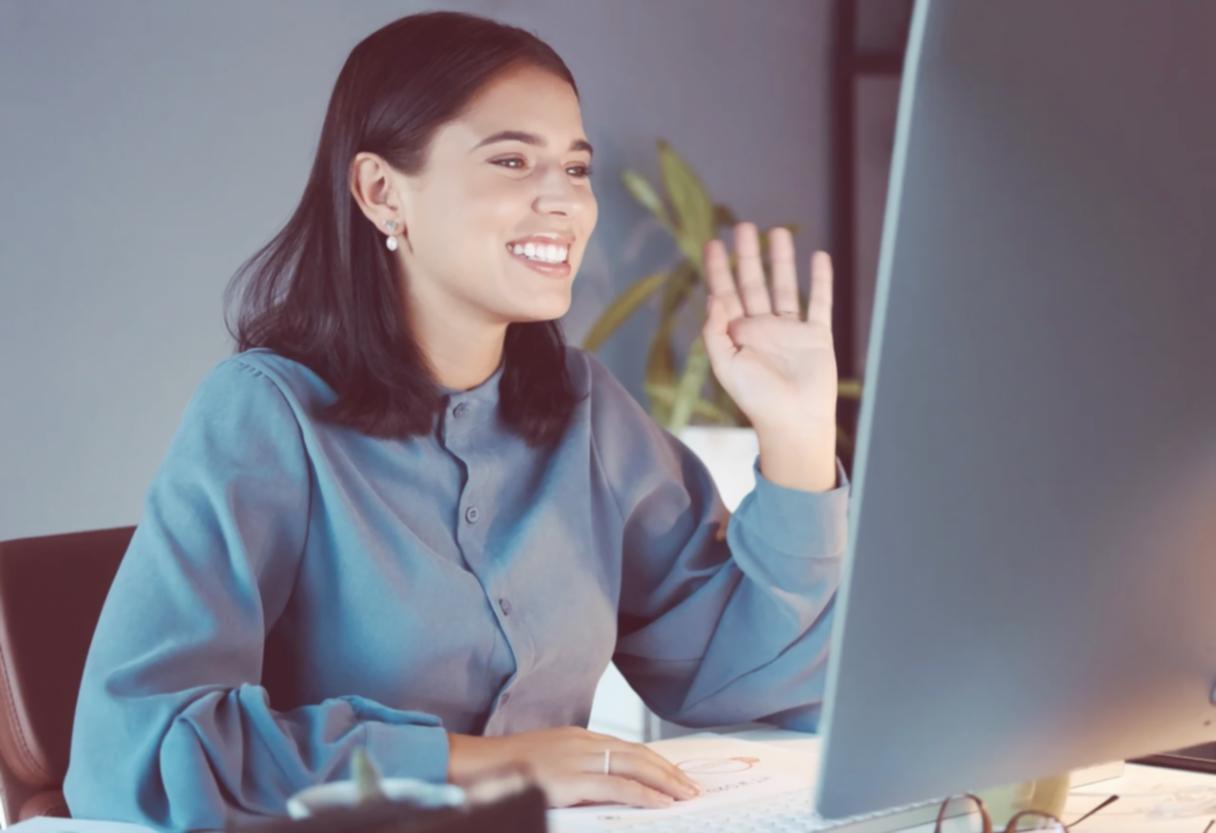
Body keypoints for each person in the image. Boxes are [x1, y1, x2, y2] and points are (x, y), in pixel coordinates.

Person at [62, 10, 849, 832]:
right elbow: (137, 749)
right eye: (512, 160)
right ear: (380, 191)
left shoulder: (587, 412)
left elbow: (754, 680)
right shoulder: (267, 414)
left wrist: (794, 434)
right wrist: (482, 763)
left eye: (576, 169)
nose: (565, 203)